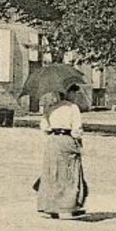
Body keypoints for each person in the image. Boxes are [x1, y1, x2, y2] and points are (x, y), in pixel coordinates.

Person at [37, 87, 87, 219]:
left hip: (52, 141)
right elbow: (77, 129)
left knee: (52, 172)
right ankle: (68, 206)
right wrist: (78, 141)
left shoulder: (51, 107)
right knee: (69, 172)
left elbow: (44, 126)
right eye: (74, 92)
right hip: (67, 139)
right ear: (68, 93)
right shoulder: (73, 108)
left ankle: (51, 206)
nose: (76, 95)